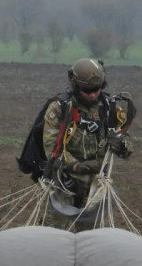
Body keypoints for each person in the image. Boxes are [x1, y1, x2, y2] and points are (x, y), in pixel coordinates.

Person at [41, 58, 134, 229]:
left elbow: (127, 149)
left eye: (96, 89)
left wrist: (121, 144)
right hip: (65, 183)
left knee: (90, 241)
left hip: (94, 188)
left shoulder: (111, 110)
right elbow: (51, 146)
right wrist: (76, 166)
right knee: (53, 237)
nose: (92, 94)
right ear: (76, 86)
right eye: (87, 90)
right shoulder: (60, 108)